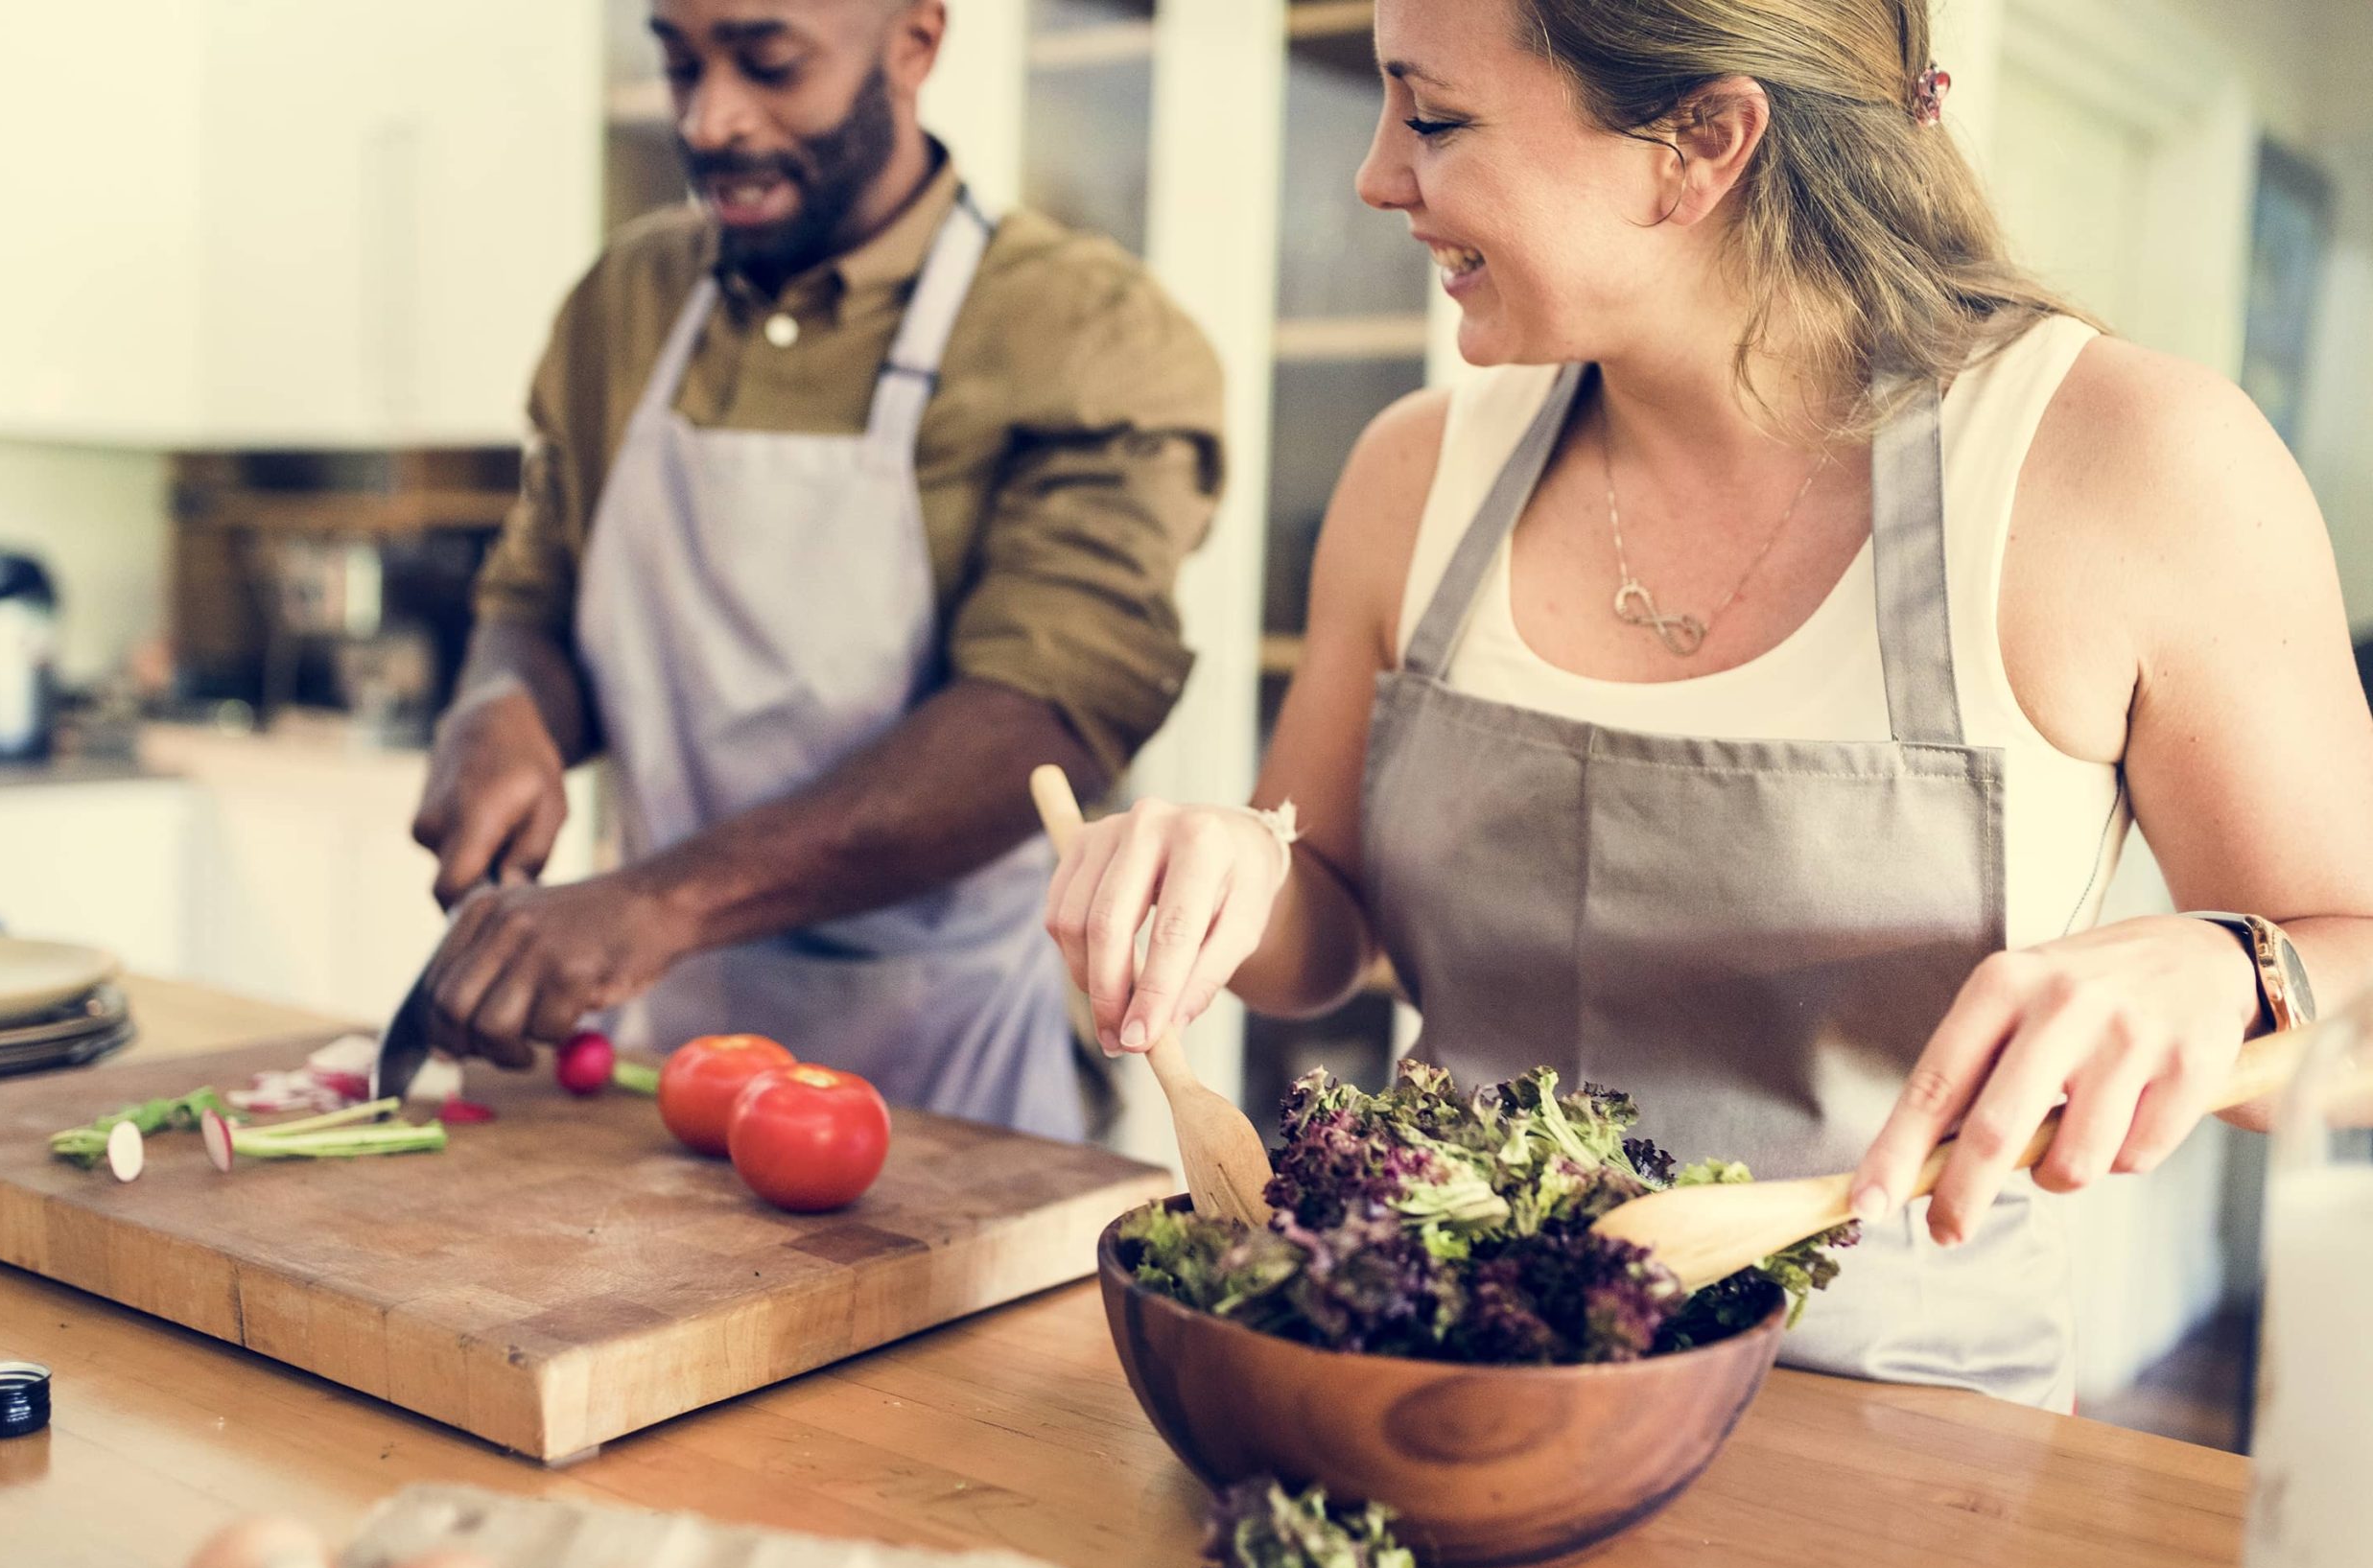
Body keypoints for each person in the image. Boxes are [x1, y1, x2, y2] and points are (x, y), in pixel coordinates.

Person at [1046, 0, 2373, 1406]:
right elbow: (1326, 933)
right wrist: (1232, 872)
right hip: (1458, 1391)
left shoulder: (2129, 462)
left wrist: (2241, 969)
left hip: (1899, 1441)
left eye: (1432, 116)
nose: (1378, 174)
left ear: (1701, 142)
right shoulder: (1412, 472)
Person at [407, 0, 1223, 1138]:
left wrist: (655, 903)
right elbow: (538, 592)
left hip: (956, 1066)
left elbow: (1044, 714)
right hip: (668, 1048)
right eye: (679, 63)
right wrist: (505, 707)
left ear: (916, 42)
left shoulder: (1084, 332)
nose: (711, 119)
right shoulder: (625, 304)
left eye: (769, 62)